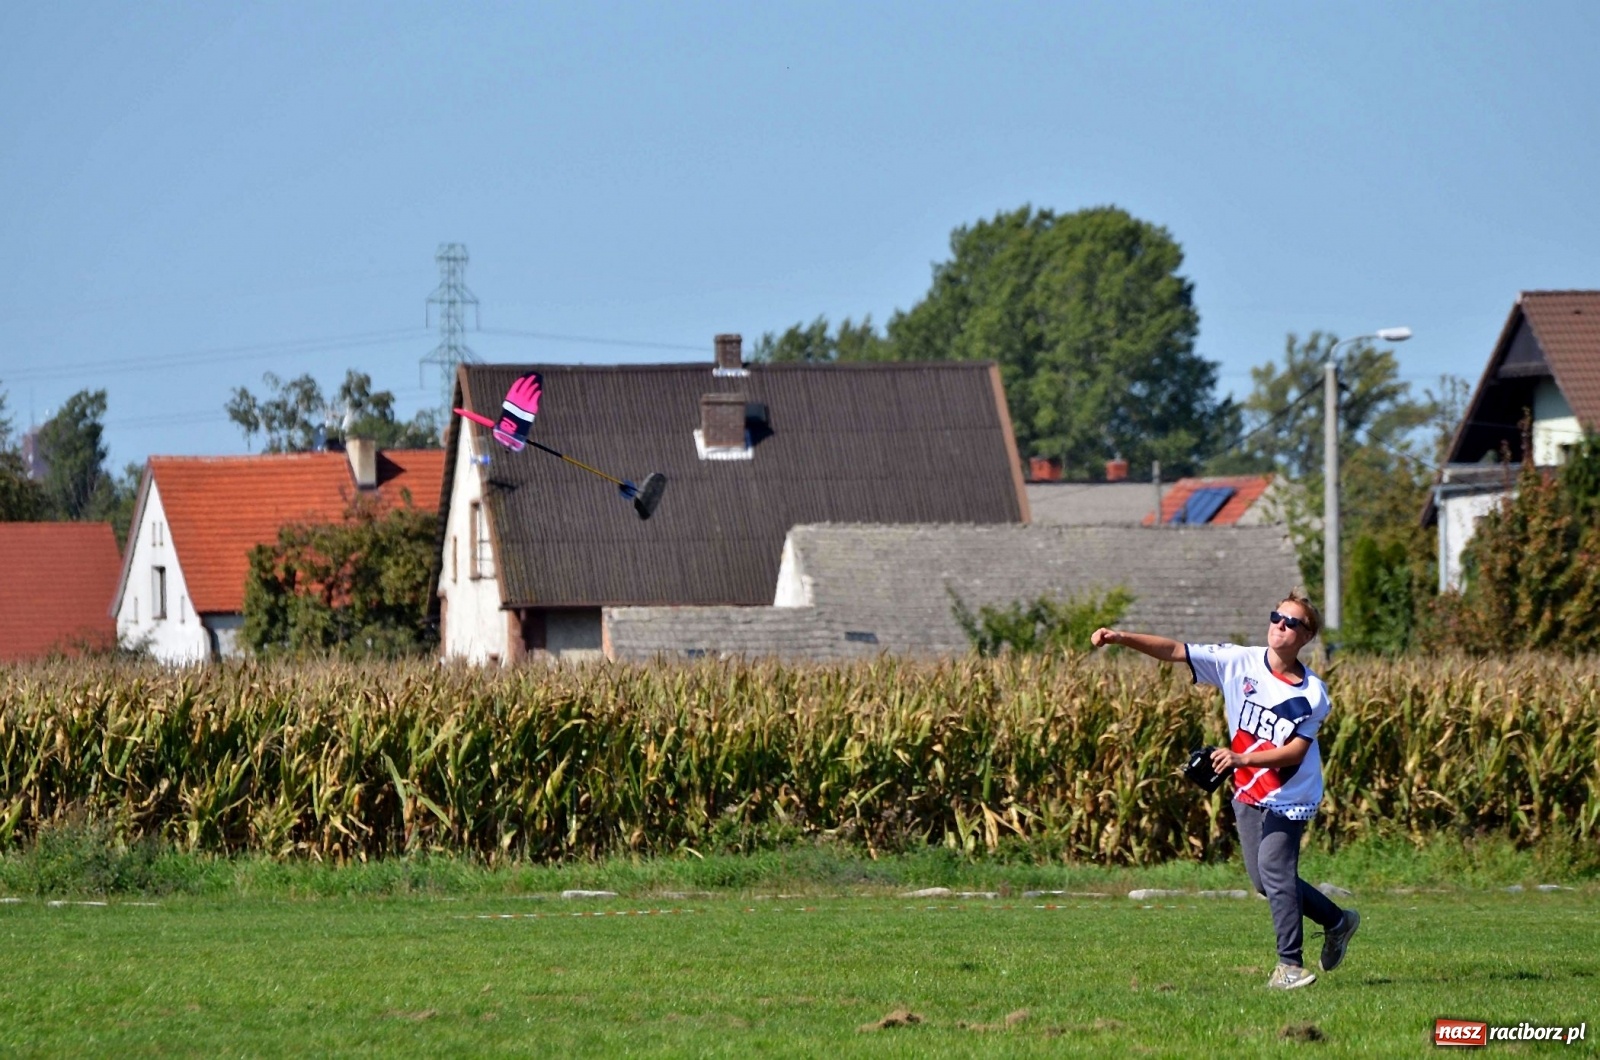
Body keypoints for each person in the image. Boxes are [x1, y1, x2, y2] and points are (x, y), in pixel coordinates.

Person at [1089, 589, 1360, 990]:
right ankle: (1338, 921)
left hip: (1290, 794)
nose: (1280, 626)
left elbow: (1294, 753)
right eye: (1276, 617)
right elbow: (1176, 651)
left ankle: (1290, 966)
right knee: (1264, 882)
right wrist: (1121, 638)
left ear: (1306, 637)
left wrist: (1239, 759)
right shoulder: (1239, 662)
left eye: (1292, 623)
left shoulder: (1311, 694)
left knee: (1275, 870)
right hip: (1248, 788)